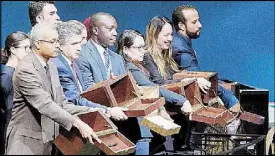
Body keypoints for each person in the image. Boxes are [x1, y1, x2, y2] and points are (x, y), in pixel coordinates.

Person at [5, 23, 102, 155]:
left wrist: (94, 110)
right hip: (25, 145)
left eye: (57, 41)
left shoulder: (51, 66)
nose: (57, 45)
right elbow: (45, 105)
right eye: (52, 41)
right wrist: (77, 123)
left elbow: (62, 104)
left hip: (47, 144)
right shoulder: (25, 69)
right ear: (38, 44)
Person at [117, 29, 194, 151]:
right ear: (126, 49)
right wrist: (182, 100)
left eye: (143, 47)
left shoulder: (137, 64)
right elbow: (152, 88)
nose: (143, 51)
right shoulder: (130, 67)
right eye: (138, 48)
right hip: (136, 122)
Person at [51, 21, 128, 121]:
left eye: (79, 43)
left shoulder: (74, 63)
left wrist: (108, 84)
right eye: (74, 44)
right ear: (60, 46)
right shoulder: (60, 67)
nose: (79, 48)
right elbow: (75, 100)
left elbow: (85, 93)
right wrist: (107, 111)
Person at [171, 5, 241, 113]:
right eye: (194, 22)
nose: (200, 25)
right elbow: (197, 77)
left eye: (198, 20)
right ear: (181, 25)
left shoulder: (181, 42)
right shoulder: (181, 49)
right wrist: (229, 98)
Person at [1, 31, 31, 130]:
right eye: (25, 48)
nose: (29, 51)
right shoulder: (7, 76)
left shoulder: (17, 72)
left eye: (30, 48)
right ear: (13, 49)